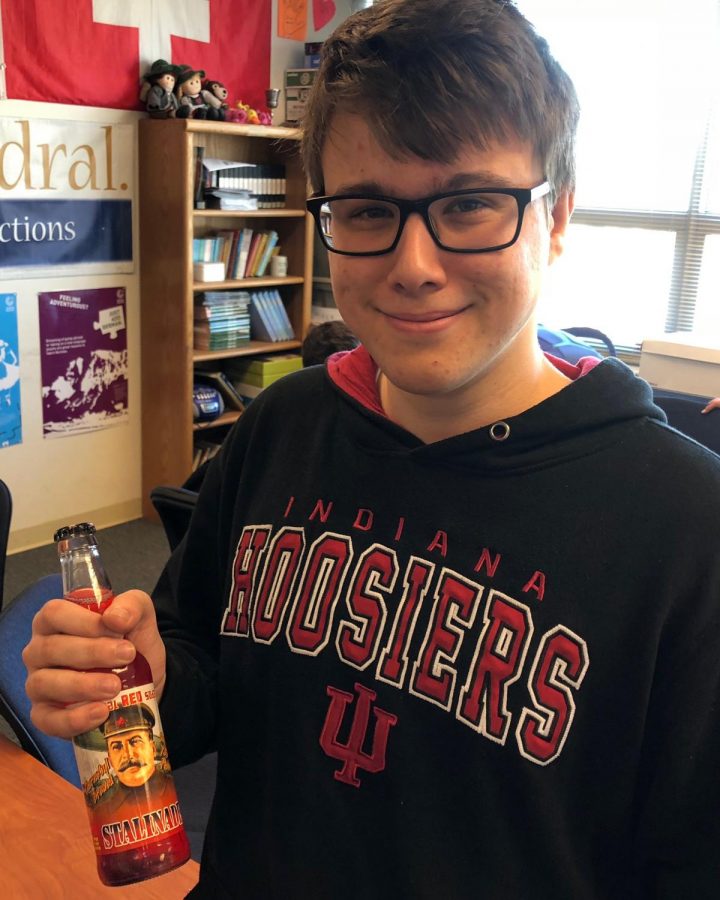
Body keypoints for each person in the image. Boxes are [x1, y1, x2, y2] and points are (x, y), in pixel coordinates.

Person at [22, 1, 720, 897]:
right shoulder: (282, 427)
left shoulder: (687, 531)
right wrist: (145, 681)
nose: (415, 263)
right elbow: (203, 673)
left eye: (470, 204)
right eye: (365, 209)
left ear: (556, 216)